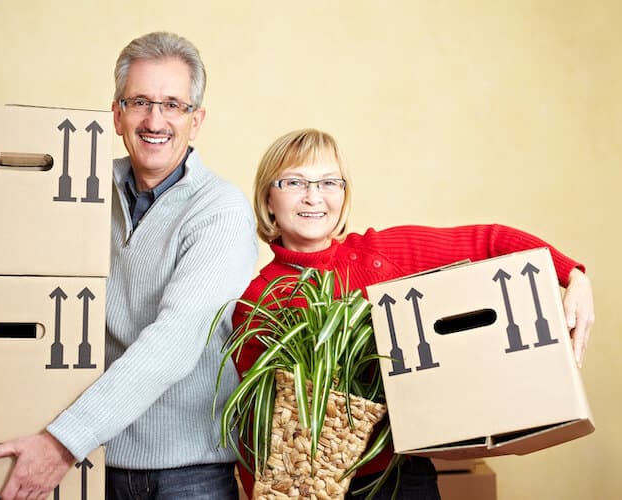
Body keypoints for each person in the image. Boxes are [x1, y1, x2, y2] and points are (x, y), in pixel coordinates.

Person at [231, 128, 594, 499]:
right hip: (316, 487)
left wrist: (574, 275)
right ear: (268, 199)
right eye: (294, 182)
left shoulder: (378, 254)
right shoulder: (258, 300)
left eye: (328, 182)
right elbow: (257, 427)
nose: (314, 197)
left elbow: (489, 239)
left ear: (343, 194)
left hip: (399, 476)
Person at [0, 32, 258, 500]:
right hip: (96, 461)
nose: (155, 120)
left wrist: (61, 443)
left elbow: (176, 340)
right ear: (116, 114)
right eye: (140, 102)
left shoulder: (220, 211)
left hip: (187, 474)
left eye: (173, 104)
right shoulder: (78, 190)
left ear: (197, 120)